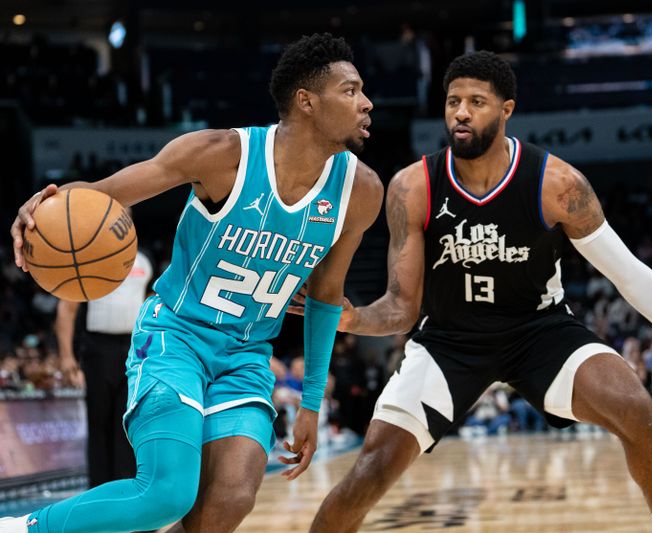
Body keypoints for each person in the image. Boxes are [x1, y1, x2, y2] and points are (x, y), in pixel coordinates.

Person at [290, 51, 652, 533]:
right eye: (452, 101)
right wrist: (353, 320)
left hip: (539, 332)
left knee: (636, 409)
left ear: (506, 109)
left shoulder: (558, 184)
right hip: (449, 342)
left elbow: (631, 275)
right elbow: (401, 308)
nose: (460, 113)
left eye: (476, 102)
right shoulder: (412, 187)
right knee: (367, 475)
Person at [3, 33, 382, 533]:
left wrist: (311, 403)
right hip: (175, 338)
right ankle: (22, 528)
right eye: (350, 90)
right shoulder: (220, 154)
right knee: (166, 495)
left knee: (229, 501)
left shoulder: (361, 192)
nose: (367, 102)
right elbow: (100, 197)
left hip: (246, 357)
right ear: (306, 102)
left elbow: (327, 297)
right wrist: (42, 206)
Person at [55, 245, 153, 488]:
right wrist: (66, 356)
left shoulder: (144, 258)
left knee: (129, 423)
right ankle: (99, 492)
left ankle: (129, 491)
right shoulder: (87, 257)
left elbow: (154, 302)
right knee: (99, 424)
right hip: (98, 347)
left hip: (134, 348)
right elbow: (67, 308)